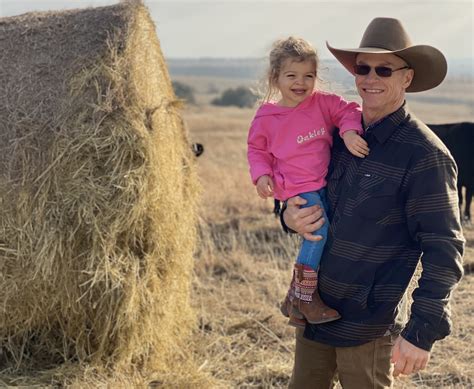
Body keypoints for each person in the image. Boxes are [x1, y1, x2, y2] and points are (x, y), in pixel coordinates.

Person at [281, 18, 465, 388]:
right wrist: (290, 216)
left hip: (367, 326)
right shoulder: (333, 138)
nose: (370, 77)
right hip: (315, 312)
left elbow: (444, 251)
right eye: (362, 67)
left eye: (384, 69)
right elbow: (302, 194)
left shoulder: (425, 156)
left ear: (407, 78)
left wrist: (421, 332)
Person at [247, 37, 369, 328]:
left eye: (308, 76)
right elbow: (257, 150)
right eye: (291, 75)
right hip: (297, 189)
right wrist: (261, 175)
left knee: (324, 233)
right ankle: (304, 296)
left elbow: (348, 111)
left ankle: (293, 299)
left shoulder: (322, 104)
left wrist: (350, 132)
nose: (300, 82)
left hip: (322, 183)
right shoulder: (267, 116)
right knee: (317, 233)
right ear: (275, 78)